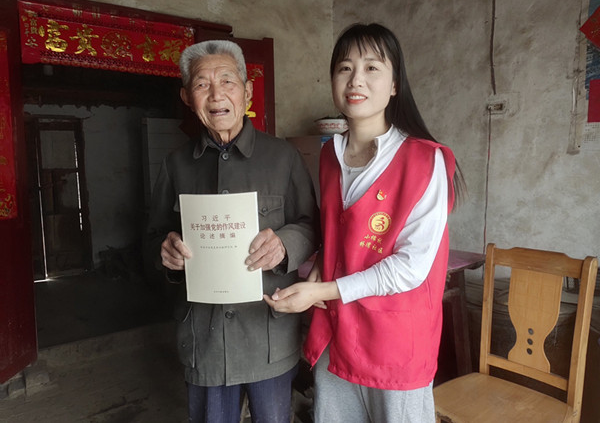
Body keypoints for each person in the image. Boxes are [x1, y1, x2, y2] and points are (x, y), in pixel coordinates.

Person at [264, 23, 465, 423]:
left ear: (395, 84)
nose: (356, 79)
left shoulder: (425, 160)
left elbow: (411, 267)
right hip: (339, 333)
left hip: (395, 344)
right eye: (345, 67)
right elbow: (337, 232)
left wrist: (323, 289)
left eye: (372, 67)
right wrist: (319, 270)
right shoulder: (330, 155)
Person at [146, 39, 319, 423]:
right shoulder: (175, 165)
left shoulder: (284, 157)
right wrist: (165, 251)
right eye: (202, 84)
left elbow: (312, 225)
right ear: (187, 98)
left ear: (247, 91)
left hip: (268, 336)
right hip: (204, 340)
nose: (216, 94)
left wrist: (285, 244)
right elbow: (152, 237)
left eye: (227, 81)